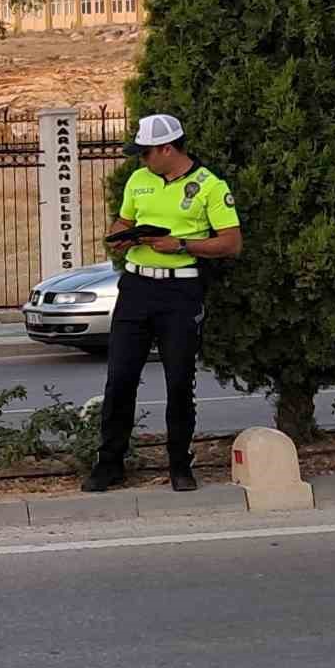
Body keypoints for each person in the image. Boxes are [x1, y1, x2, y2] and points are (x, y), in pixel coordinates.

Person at [83, 114, 243, 493]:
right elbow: (122, 221)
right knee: (119, 379)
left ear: (167, 148)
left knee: (178, 382)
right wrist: (121, 236)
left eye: (146, 153)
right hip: (137, 288)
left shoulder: (208, 186)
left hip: (180, 292)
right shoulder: (139, 181)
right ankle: (110, 464)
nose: (141, 160)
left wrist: (181, 245)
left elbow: (231, 243)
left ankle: (180, 466)